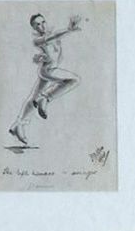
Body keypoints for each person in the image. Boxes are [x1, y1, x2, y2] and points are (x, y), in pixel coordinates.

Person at [8, 13, 82, 151]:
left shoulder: (50, 33)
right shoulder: (38, 40)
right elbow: (52, 38)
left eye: (43, 22)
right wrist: (68, 30)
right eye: (37, 25)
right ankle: (46, 97)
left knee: (32, 99)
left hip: (49, 68)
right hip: (48, 70)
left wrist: (43, 57)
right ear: (34, 28)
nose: (41, 26)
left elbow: (55, 42)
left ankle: (18, 124)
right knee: (74, 80)